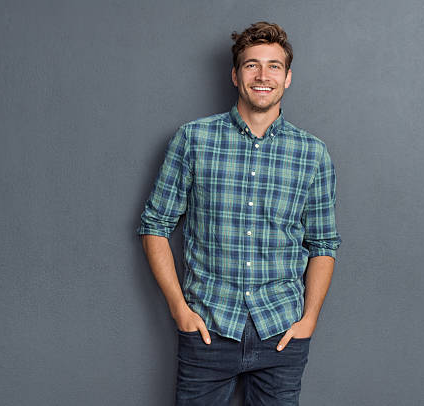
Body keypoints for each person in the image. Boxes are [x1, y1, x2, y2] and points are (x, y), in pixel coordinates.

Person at [136, 21, 342, 405]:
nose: (263, 75)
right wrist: (180, 310)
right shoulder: (193, 139)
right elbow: (155, 225)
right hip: (209, 329)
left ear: (288, 77)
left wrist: (309, 318)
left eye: (274, 65)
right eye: (252, 65)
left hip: (281, 333)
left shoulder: (312, 154)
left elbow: (324, 243)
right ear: (235, 75)